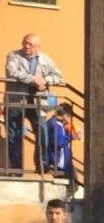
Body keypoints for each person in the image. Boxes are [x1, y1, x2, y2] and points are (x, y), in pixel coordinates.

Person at [6, 33, 64, 171]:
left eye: (30, 44)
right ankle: (16, 168)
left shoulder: (45, 59)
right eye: (24, 42)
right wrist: (33, 79)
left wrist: (46, 80)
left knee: (42, 134)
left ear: (38, 47)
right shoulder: (14, 56)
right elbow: (12, 72)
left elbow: (58, 76)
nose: (26, 46)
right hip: (16, 101)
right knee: (14, 136)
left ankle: (42, 165)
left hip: (38, 102)